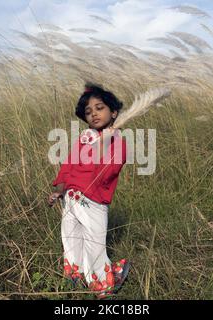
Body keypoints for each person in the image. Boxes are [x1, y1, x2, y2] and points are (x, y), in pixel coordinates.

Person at [48, 83, 130, 298]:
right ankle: (76, 275)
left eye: (99, 108)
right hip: (71, 197)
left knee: (93, 242)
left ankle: (100, 283)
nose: (93, 114)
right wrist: (60, 190)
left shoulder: (117, 141)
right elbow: (70, 165)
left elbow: (108, 171)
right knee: (71, 237)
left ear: (113, 112)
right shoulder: (85, 138)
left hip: (92, 199)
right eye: (88, 111)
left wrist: (104, 143)